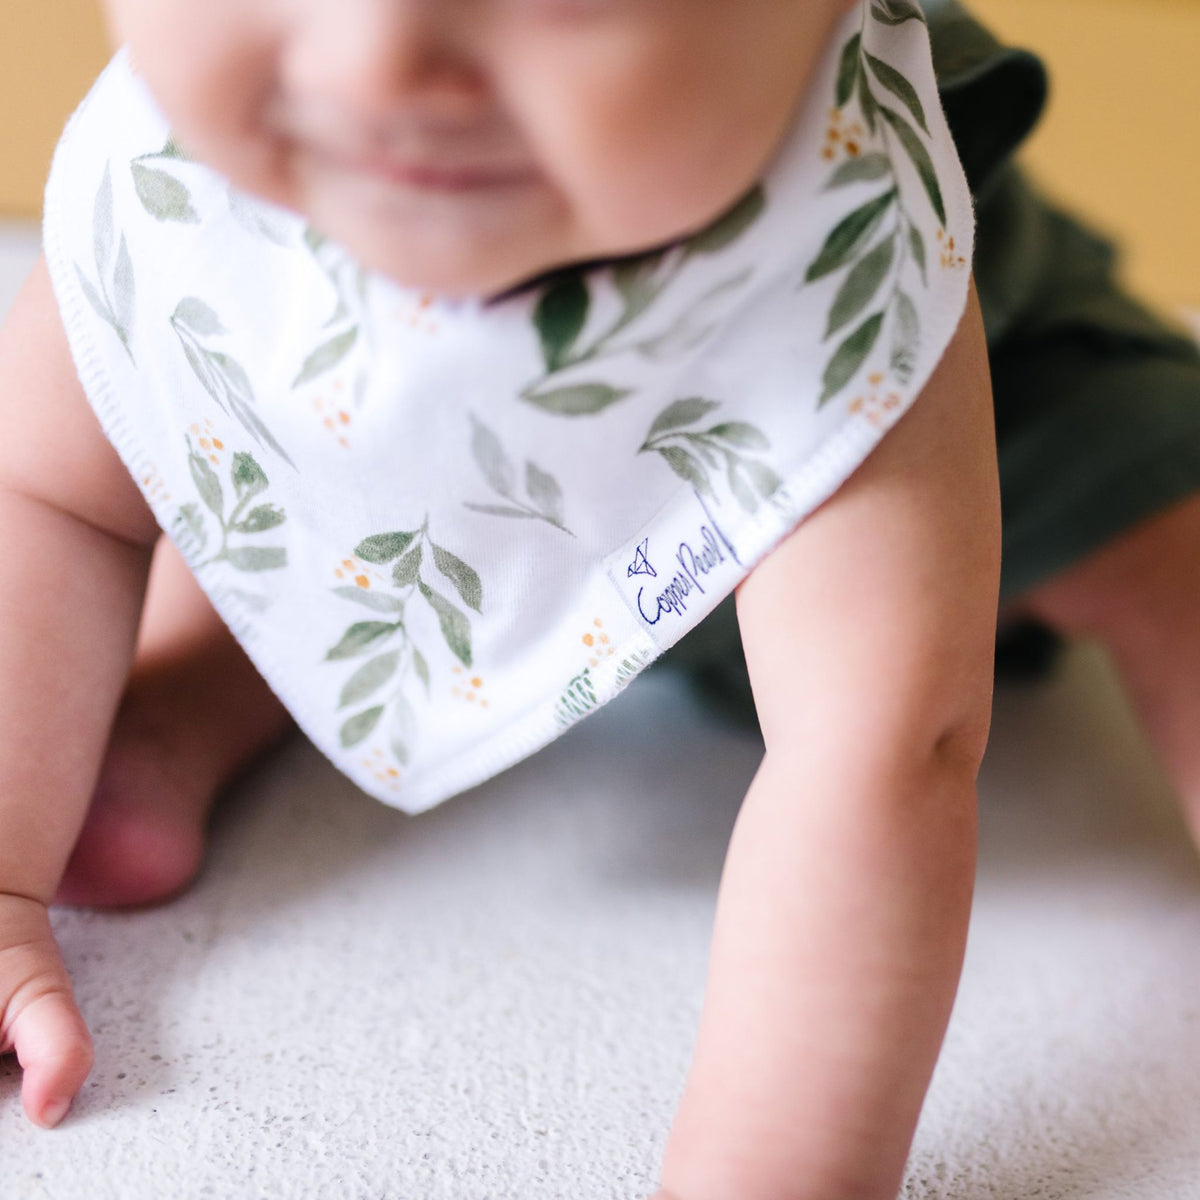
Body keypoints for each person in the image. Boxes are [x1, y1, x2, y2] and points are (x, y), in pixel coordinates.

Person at [0, 5, 1193, 1200]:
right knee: (276, 507)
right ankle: (200, 685)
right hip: (466, 504)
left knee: (1168, 554)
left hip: (963, 452)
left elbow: (880, 753)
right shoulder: (188, 180)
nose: (374, 62)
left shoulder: (837, 230)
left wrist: (767, 1176)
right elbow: (51, 496)